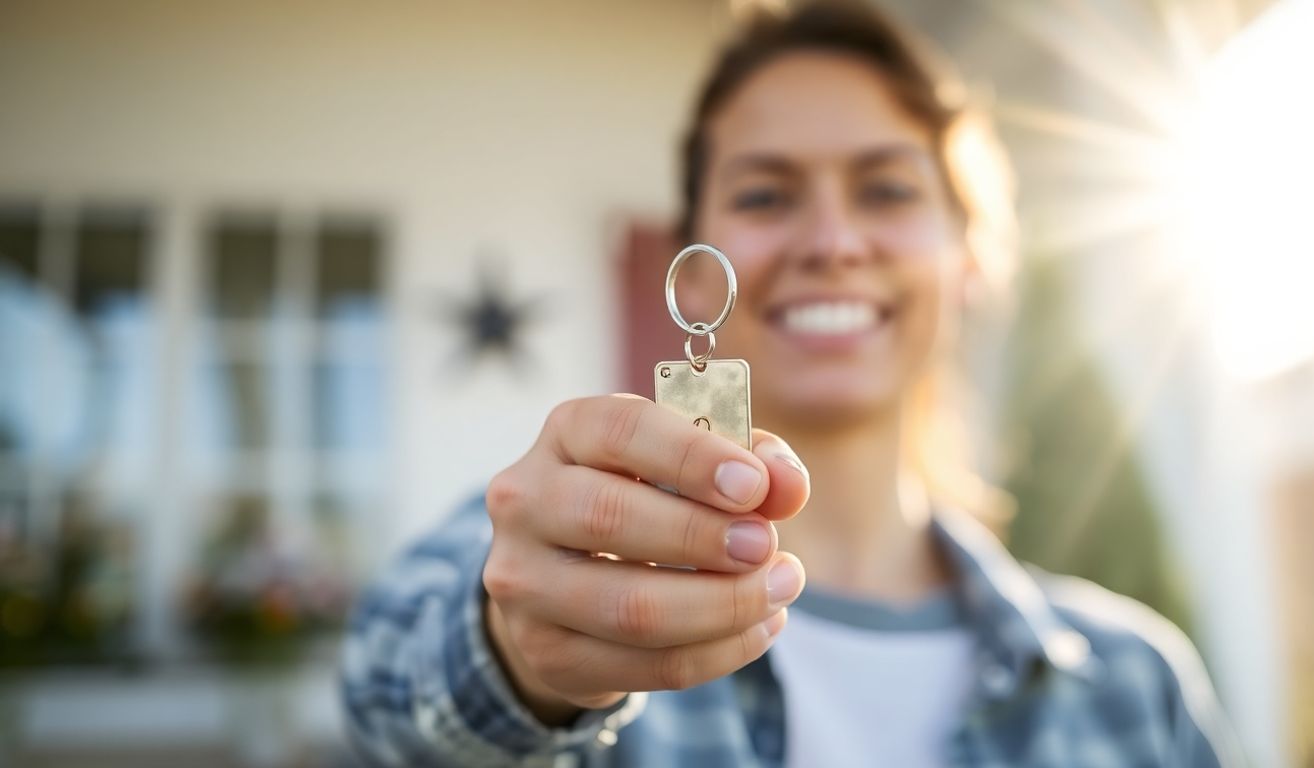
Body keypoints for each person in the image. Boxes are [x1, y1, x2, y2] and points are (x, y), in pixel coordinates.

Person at [341, 2, 1241, 766]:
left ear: (969, 258)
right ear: (693, 270)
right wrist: (517, 663)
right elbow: (379, 692)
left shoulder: (1136, 679)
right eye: (766, 196)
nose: (830, 242)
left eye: (886, 191)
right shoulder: (542, 555)